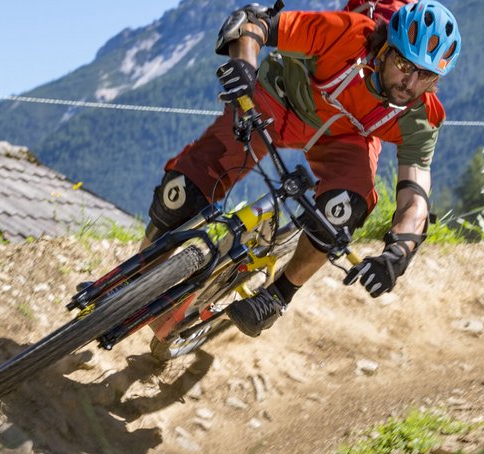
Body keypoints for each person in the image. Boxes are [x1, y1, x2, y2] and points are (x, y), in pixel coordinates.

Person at [143, 0, 461, 337]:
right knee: (182, 189)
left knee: (344, 207)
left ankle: (278, 296)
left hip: (345, 138)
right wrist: (245, 66)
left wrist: (399, 252)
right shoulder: (347, 36)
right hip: (278, 101)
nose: (410, 82)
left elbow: (415, 198)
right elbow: (252, 23)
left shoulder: (422, 115)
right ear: (385, 47)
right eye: (402, 62)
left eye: (425, 74)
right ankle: (135, 276)